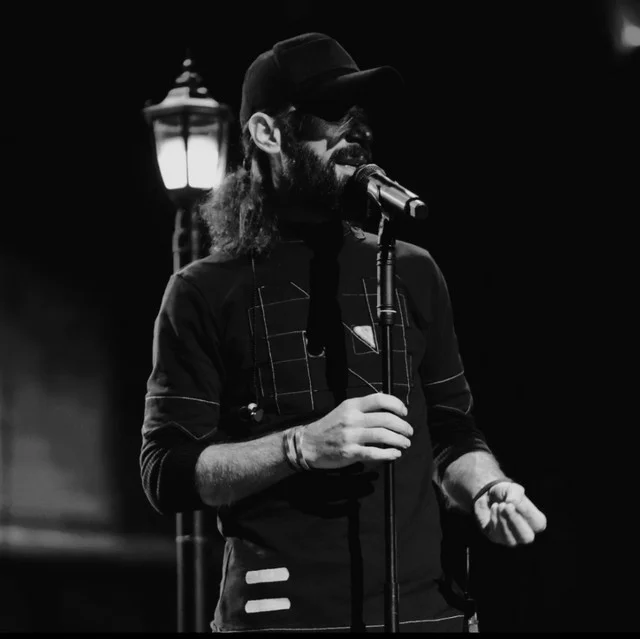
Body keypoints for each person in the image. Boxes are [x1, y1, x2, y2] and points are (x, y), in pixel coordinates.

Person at [140, 32, 547, 633]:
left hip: (425, 614)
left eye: (360, 113)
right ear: (267, 133)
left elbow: (450, 432)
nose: (355, 129)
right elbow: (166, 472)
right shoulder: (204, 290)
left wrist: (488, 487)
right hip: (284, 618)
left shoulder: (411, 269)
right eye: (331, 111)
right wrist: (300, 447)